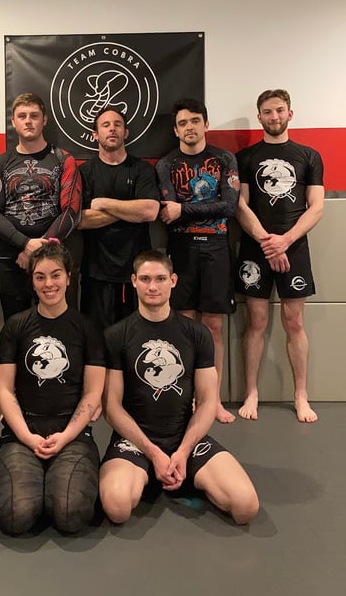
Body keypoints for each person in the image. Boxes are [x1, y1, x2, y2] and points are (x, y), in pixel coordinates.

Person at [99, 250, 259, 526]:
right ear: (134, 281)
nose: (153, 286)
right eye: (145, 279)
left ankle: (184, 472)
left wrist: (183, 451)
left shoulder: (197, 334)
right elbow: (112, 408)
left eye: (160, 279)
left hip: (184, 439)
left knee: (245, 507)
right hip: (135, 442)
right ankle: (155, 471)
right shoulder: (116, 335)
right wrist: (153, 453)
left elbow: (207, 401)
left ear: (173, 281)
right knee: (117, 507)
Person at [0, 242, 105, 535]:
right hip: (22, 433)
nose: (48, 284)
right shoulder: (15, 327)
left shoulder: (87, 328)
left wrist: (67, 435)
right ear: (32, 281)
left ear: (68, 277)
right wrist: (26, 437)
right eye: (40, 277)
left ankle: (55, 480)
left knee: (70, 514)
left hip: (72, 433)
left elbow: (92, 393)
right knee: (16, 517)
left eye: (56, 275)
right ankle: (36, 481)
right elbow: (4, 390)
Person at [235, 89, 324, 423]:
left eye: (279, 110)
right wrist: (267, 241)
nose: (274, 117)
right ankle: (251, 392)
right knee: (256, 321)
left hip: (294, 247)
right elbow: (240, 205)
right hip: (254, 248)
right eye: (268, 112)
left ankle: (301, 394)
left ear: (290, 113)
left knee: (294, 322)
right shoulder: (246, 157)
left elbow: (316, 207)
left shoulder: (309, 156)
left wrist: (285, 240)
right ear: (259, 117)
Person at [155, 98, 240, 423]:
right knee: (186, 325)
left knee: (214, 326)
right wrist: (188, 210)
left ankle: (213, 399)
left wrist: (185, 209)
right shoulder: (166, 165)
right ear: (176, 130)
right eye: (183, 123)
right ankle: (189, 397)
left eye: (195, 121)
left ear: (205, 124)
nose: (189, 127)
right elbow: (168, 212)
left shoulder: (224, 159)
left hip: (217, 246)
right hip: (182, 248)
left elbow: (229, 206)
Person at [0, 92, 82, 320]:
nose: (28, 121)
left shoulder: (63, 159)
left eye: (34, 115)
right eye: (22, 116)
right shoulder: (0, 163)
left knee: (59, 322)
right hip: (11, 259)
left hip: (54, 256)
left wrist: (38, 249)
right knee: (15, 324)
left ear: (44, 120)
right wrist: (25, 244)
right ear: (13, 122)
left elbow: (72, 211)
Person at [78, 107, 160, 331]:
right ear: (95, 135)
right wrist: (130, 210)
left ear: (126, 132)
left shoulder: (142, 169)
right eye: (105, 125)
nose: (112, 129)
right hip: (96, 272)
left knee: (134, 337)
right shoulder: (85, 172)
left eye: (117, 124)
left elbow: (150, 211)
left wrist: (104, 204)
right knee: (97, 339)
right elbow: (81, 220)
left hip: (135, 272)